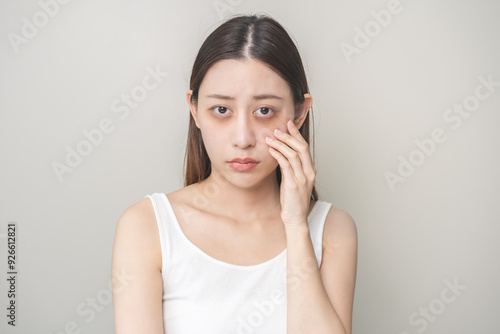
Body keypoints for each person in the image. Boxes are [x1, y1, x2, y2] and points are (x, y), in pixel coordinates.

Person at [111, 13, 357, 334]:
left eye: (264, 111)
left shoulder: (332, 230)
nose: (243, 138)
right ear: (195, 110)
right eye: (222, 110)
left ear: (298, 114)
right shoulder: (146, 227)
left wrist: (296, 225)